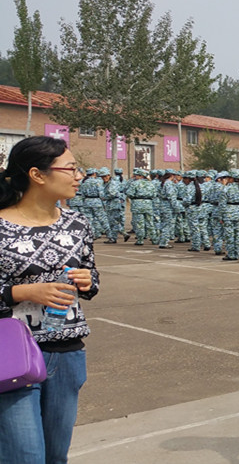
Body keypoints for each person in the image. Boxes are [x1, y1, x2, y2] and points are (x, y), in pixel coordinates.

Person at [0, 136, 100, 464]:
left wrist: (87, 281)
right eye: (71, 168)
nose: (79, 176)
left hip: (66, 352)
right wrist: (22, 292)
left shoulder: (78, 223)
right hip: (11, 354)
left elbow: (92, 279)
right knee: (25, 456)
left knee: (56, 455)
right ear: (37, 175)